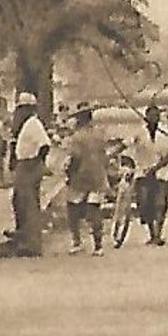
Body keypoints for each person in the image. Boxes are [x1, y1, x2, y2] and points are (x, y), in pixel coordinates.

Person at [6, 92, 51, 255]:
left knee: (29, 204)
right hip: (23, 164)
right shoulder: (23, 125)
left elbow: (45, 145)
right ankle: (23, 235)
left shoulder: (33, 123)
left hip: (30, 164)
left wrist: (37, 162)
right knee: (19, 201)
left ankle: (32, 244)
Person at [126, 105, 168, 246]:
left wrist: (155, 168)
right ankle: (151, 233)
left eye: (156, 115)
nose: (154, 118)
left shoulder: (165, 133)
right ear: (146, 117)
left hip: (160, 173)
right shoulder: (138, 133)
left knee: (160, 204)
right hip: (142, 172)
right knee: (145, 204)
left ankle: (158, 234)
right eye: (151, 115)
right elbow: (126, 145)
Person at [64, 107, 109, 256]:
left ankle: (77, 241)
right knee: (94, 209)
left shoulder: (76, 138)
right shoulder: (100, 135)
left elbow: (74, 158)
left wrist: (69, 174)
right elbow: (105, 156)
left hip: (80, 177)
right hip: (98, 176)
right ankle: (98, 246)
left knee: (72, 208)